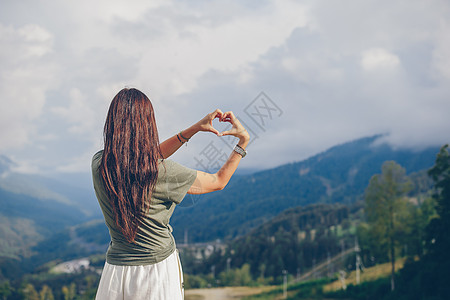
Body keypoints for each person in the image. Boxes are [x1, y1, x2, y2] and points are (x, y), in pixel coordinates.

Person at [91, 88, 249, 300]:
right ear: (148, 124)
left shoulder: (100, 164)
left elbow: (139, 158)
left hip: (115, 272)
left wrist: (192, 130)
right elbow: (218, 181)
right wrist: (242, 143)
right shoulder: (163, 173)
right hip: (156, 273)